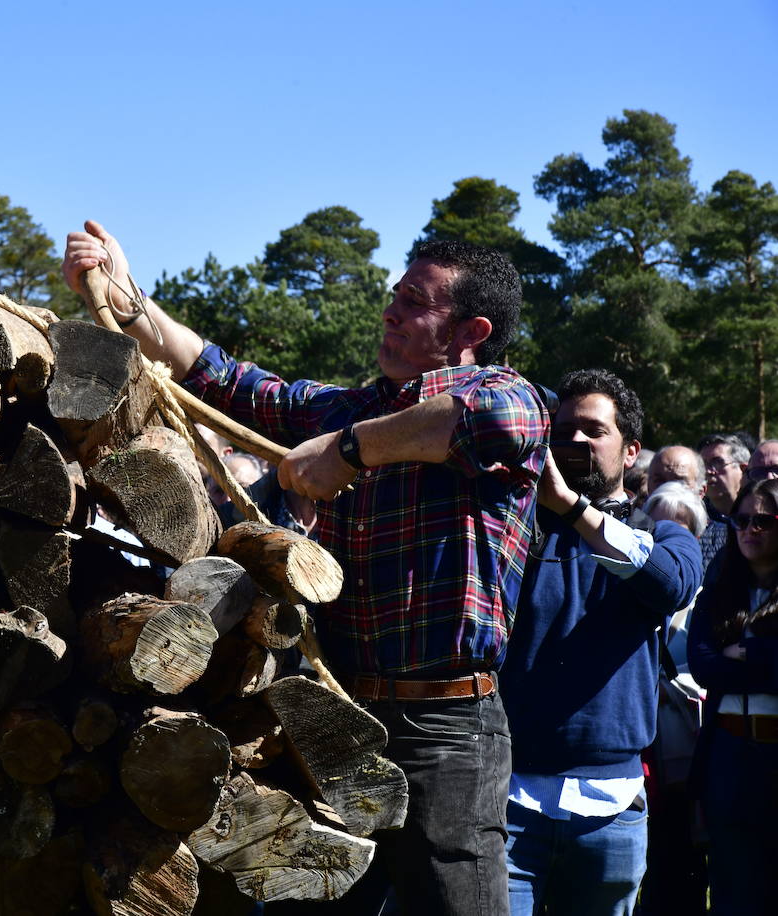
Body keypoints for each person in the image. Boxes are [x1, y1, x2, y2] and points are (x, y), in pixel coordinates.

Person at [63, 220, 549, 916]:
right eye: (395, 293)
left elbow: (484, 419)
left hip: (449, 729)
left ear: (470, 330)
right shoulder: (354, 409)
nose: (391, 309)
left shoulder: (512, 395)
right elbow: (223, 378)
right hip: (340, 713)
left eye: (415, 302)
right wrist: (127, 297)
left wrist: (346, 453)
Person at [499, 369, 701, 916]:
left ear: (632, 450)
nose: (575, 442)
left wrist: (571, 507)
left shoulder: (664, 534)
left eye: (593, 430)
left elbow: (668, 584)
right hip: (508, 799)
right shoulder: (514, 532)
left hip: (611, 809)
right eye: (562, 432)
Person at [687, 478, 778, 915]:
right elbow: (704, 667)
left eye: (764, 520)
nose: (750, 529)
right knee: (733, 889)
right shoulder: (720, 589)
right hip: (730, 753)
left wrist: (746, 651)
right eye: (742, 519)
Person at [635, 481, 709, 916]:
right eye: (657, 530)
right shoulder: (628, 590)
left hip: (685, 756)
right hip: (640, 757)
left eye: (678, 532)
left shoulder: (708, 604)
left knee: (680, 862)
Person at [697, 433, 750, 571]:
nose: (708, 471)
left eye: (717, 462)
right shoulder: (694, 520)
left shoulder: (760, 522)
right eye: (703, 464)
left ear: (743, 469)